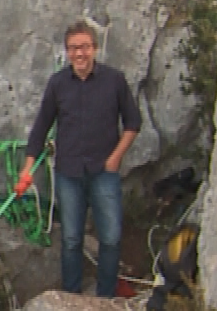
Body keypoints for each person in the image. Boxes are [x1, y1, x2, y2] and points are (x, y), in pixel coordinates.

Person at [17, 20, 142, 297]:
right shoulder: (58, 84)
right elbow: (40, 129)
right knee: (71, 239)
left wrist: (115, 158)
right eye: (73, 48)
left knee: (110, 237)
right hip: (68, 173)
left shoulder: (114, 80)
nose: (79, 54)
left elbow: (133, 123)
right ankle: (71, 297)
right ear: (67, 52)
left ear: (95, 49)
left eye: (84, 47)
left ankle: (106, 296)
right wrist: (26, 171)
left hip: (104, 171)